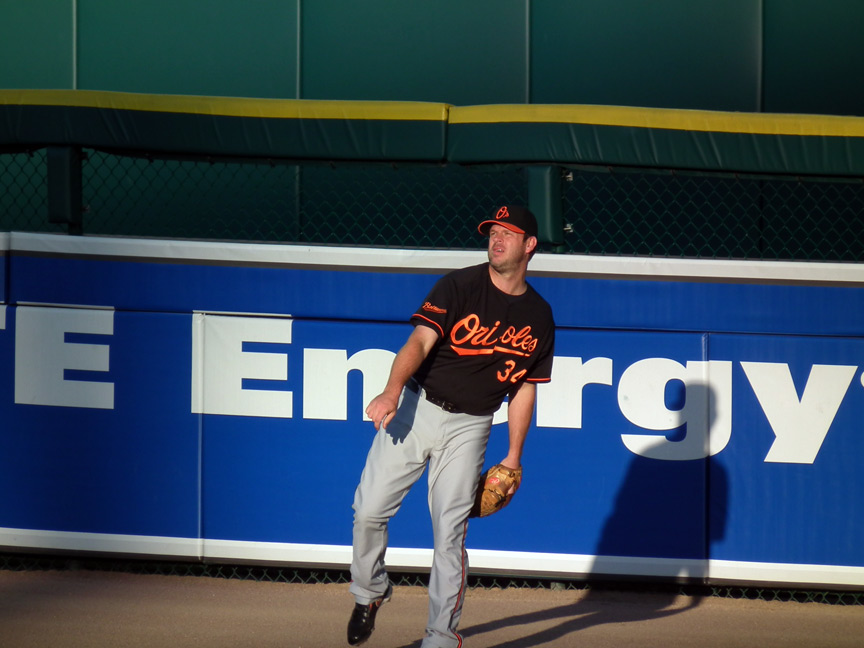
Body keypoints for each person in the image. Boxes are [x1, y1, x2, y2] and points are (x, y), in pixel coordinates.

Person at [347, 205, 556, 648]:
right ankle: (370, 591)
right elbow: (419, 340)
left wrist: (514, 456)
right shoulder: (459, 285)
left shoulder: (539, 316)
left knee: (449, 535)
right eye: (492, 232)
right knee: (368, 511)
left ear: (529, 245)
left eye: (508, 233)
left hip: (472, 426)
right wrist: (390, 390)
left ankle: (441, 637)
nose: (496, 239)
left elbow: (523, 390)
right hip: (415, 408)